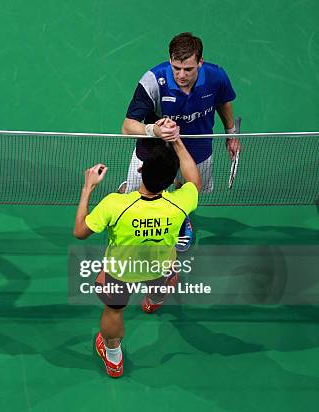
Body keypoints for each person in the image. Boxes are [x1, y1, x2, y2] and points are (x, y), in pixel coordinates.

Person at [73, 128, 200, 378]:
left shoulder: (115, 203)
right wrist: (177, 142)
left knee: (114, 310)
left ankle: (113, 359)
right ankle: (153, 302)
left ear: (141, 170)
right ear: (172, 179)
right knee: (164, 277)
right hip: (160, 265)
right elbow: (194, 180)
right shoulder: (181, 201)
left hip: (120, 273)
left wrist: (87, 188)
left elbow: (80, 231)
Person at [121, 32, 241, 252]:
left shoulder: (216, 77)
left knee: (188, 189)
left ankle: (180, 219)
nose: (181, 75)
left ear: (200, 62)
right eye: (176, 68)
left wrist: (231, 133)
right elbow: (127, 126)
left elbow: (223, 102)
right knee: (136, 195)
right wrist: (153, 129)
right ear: (170, 61)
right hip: (155, 147)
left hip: (197, 144)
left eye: (188, 69)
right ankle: (127, 196)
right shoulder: (153, 81)